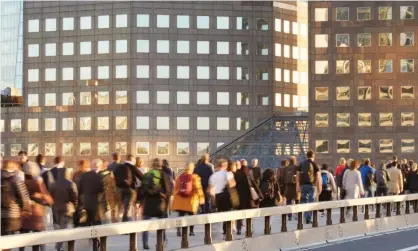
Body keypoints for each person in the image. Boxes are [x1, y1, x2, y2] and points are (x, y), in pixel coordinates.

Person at [20, 162, 53, 251]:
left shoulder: (20, 183)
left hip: (24, 216)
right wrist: (41, 196)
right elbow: (50, 200)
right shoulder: (37, 183)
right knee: (36, 244)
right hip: (36, 217)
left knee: (21, 242)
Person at [142, 158, 172, 250]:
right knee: (162, 224)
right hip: (160, 203)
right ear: (161, 165)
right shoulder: (164, 175)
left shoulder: (147, 174)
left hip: (148, 203)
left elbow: (142, 190)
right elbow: (168, 191)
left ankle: (145, 243)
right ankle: (162, 242)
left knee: (146, 224)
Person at [172, 162, 205, 237]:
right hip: (191, 201)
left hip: (180, 201)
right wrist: (201, 198)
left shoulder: (179, 177)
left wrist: (176, 198)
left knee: (181, 215)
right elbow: (198, 188)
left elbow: (175, 189)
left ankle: (179, 229)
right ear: (192, 168)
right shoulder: (195, 177)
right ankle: (191, 231)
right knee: (192, 217)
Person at [78, 159, 104, 251]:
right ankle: (96, 244)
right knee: (96, 225)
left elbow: (79, 191)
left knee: (88, 224)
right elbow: (102, 191)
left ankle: (91, 243)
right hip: (95, 205)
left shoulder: (83, 176)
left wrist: (82, 203)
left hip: (86, 204)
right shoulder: (99, 176)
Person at [50, 168, 78, 251]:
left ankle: (59, 245)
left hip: (55, 208)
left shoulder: (53, 184)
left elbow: (51, 195)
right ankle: (59, 246)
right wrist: (75, 205)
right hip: (66, 208)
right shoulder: (70, 183)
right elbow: (75, 196)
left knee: (58, 226)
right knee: (63, 227)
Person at [1, 160, 31, 236]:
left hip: (1, 215)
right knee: (10, 241)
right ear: (13, 167)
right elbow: (24, 196)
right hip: (12, 214)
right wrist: (26, 209)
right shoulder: (16, 179)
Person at [208, 158, 236, 236]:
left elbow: (210, 190)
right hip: (227, 196)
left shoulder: (213, 176)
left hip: (218, 197)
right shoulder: (228, 174)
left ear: (217, 165)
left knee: (221, 215)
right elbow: (232, 184)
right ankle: (227, 232)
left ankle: (222, 232)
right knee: (228, 215)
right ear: (225, 165)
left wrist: (214, 200)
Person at [234, 164, 263, 235]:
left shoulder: (237, 176)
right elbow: (254, 186)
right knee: (248, 214)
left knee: (240, 215)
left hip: (240, 199)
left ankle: (239, 229)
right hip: (248, 199)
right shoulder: (248, 177)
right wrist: (260, 195)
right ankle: (249, 229)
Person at [113, 156, 143, 222]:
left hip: (119, 189)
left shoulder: (118, 167)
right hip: (130, 189)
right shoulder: (132, 166)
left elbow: (113, 176)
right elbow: (141, 176)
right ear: (132, 160)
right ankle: (126, 222)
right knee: (128, 208)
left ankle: (120, 219)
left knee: (122, 206)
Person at [296, 150, 322, 224]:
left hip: (303, 185)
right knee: (311, 201)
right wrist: (318, 186)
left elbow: (297, 174)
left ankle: (304, 217)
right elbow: (317, 176)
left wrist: (297, 185)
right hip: (312, 185)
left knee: (304, 201)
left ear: (307, 156)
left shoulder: (301, 163)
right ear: (313, 156)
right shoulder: (314, 164)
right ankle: (308, 218)